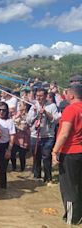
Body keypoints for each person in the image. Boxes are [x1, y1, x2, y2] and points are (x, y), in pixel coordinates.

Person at [52, 84, 82, 225]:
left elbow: (64, 134)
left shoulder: (71, 109)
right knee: (80, 186)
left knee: (69, 188)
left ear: (71, 95)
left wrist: (54, 151)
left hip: (70, 153)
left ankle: (71, 220)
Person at [26, 88, 60, 182]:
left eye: (41, 96)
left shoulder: (52, 106)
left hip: (48, 136)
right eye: (37, 96)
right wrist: (34, 112)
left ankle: (48, 177)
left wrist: (45, 112)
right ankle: (37, 176)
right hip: (35, 135)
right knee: (36, 156)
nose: (39, 98)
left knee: (46, 157)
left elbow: (56, 120)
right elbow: (28, 121)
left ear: (45, 96)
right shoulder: (33, 105)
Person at [0, 102, 16, 189]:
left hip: (4, 146)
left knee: (2, 169)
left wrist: (9, 150)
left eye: (4, 110)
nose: (1, 112)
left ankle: (2, 188)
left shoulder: (9, 121)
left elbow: (12, 136)